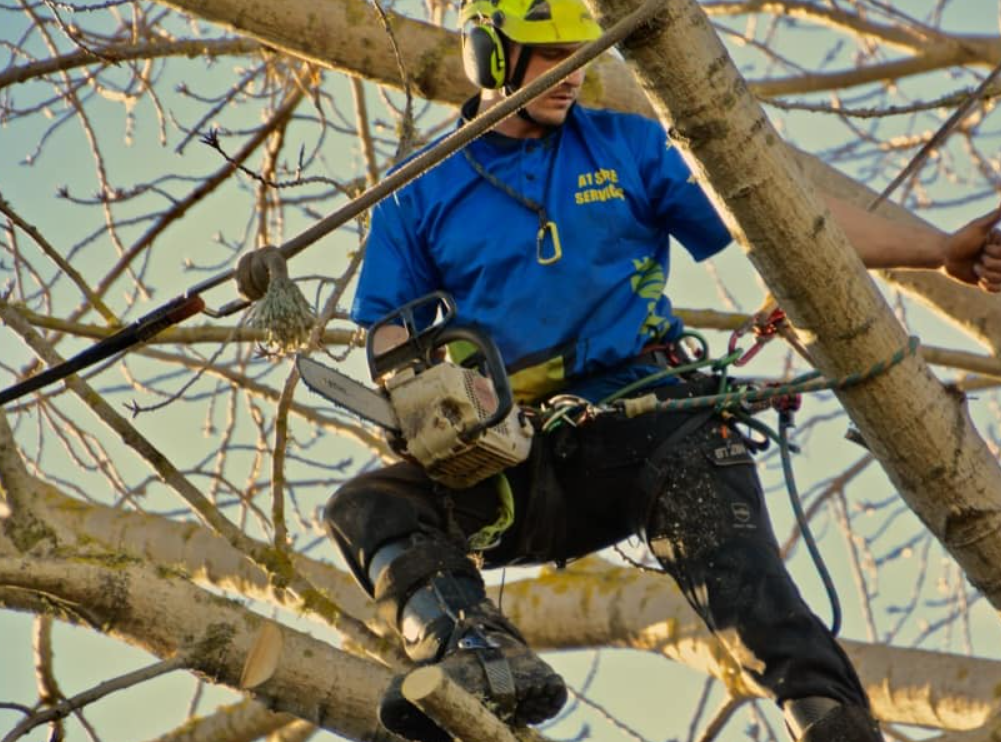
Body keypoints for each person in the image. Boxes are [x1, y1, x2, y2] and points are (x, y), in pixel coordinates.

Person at [318, 0, 1001, 740]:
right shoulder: (420, 189)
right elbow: (390, 331)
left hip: (652, 422)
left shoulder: (630, 149)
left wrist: (936, 248)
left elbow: (784, 217)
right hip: (517, 453)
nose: (569, 76)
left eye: (579, 57)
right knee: (368, 508)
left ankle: (830, 723)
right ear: (488, 55)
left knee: (753, 597)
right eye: (548, 58)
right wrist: (420, 399)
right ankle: (475, 653)